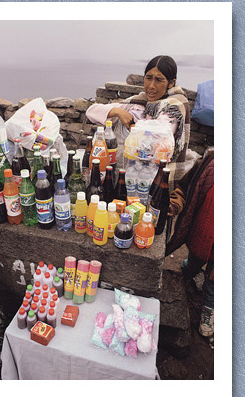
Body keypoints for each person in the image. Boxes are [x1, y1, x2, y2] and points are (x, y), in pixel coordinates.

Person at [86, 55, 191, 190]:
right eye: (148, 78)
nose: (151, 86)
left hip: (153, 182)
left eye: (159, 80)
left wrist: (134, 128)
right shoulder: (138, 101)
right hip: (127, 177)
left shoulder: (175, 105)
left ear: (171, 83)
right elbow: (91, 111)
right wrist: (118, 111)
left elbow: (157, 141)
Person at [165, 149, 214, 337]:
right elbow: (185, 188)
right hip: (201, 236)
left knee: (213, 281)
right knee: (194, 260)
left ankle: (209, 309)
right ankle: (188, 271)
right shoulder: (210, 163)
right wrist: (175, 203)